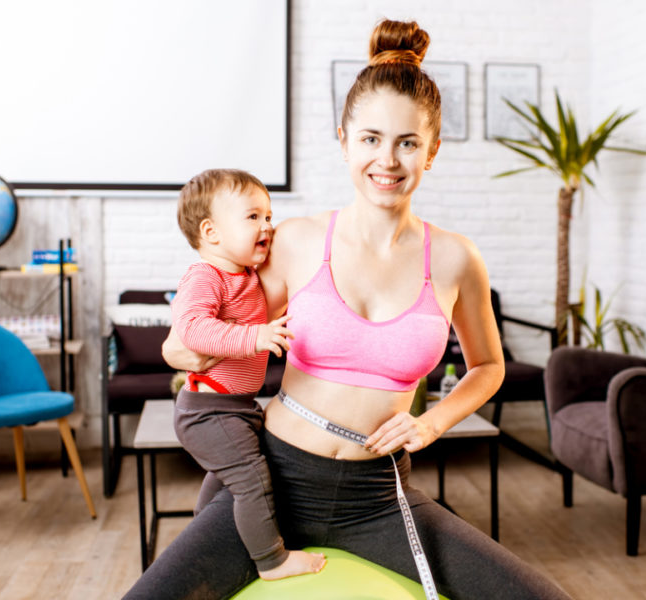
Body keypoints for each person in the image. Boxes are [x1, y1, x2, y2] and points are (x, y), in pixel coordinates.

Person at [125, 19, 571, 600]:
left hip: (378, 496)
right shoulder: (294, 242)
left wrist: (431, 421)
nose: (387, 159)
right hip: (273, 482)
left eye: (407, 142)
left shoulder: (458, 259)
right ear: (344, 140)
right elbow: (192, 336)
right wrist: (185, 344)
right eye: (370, 138)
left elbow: (488, 367)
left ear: (432, 151)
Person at [168, 169, 326, 580]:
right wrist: (255, 336)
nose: (267, 226)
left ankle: (205, 537)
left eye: (269, 216)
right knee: (252, 477)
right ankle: (271, 560)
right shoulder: (206, 276)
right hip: (207, 409)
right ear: (211, 231)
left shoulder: (249, 277)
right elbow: (192, 330)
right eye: (253, 217)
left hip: (235, 406)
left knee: (226, 481)